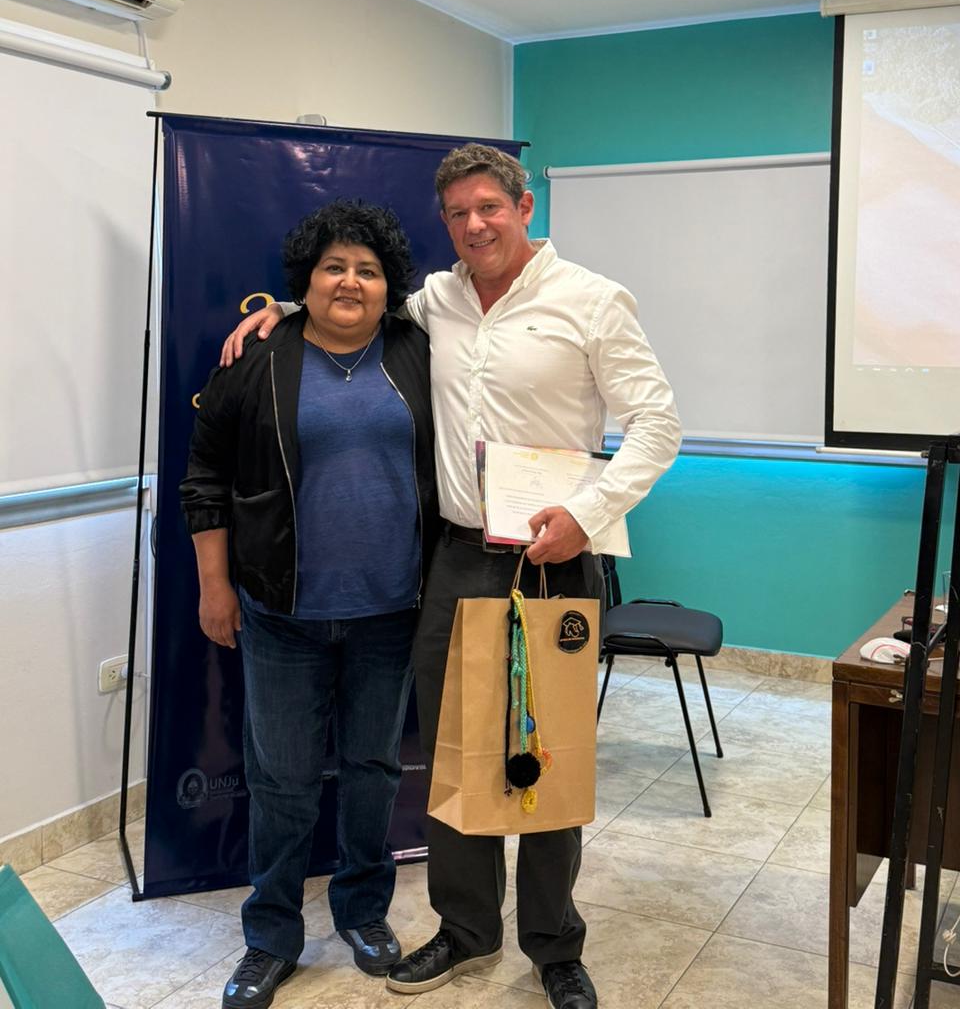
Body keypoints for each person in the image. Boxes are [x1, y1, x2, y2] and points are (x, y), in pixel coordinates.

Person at [223, 146, 681, 1009]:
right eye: (458, 214)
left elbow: (658, 424)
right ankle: (467, 929)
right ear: (445, 223)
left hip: (554, 557)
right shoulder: (435, 300)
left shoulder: (591, 300)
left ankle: (555, 945)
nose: (475, 225)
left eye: (489, 208)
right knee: (457, 757)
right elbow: (346, 304)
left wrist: (587, 511)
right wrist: (280, 310)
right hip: (460, 556)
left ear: (524, 207)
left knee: (544, 755)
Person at [181, 200, 438, 1009]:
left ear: (390, 285)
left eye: (367, 269)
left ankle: (363, 911)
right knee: (283, 779)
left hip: (391, 612)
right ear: (307, 279)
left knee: (372, 769)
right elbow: (205, 478)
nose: (350, 282)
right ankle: (272, 936)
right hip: (281, 615)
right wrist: (214, 586)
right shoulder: (258, 359)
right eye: (334, 267)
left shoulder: (419, 352)